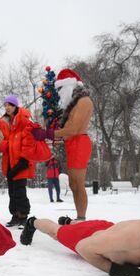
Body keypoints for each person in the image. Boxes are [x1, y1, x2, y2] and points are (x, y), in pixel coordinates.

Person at [19, 209, 140, 276]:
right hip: (90, 236)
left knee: (100, 228)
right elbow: (84, 247)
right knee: (56, 232)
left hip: (109, 231)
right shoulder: (130, 239)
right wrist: (115, 269)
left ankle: (70, 220)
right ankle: (33, 222)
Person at [32, 69, 93, 223]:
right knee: (73, 184)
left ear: (68, 86)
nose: (58, 93)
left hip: (79, 142)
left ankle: (81, 218)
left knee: (77, 183)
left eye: (60, 89)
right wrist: (52, 136)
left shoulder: (83, 101)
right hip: (73, 143)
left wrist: (48, 134)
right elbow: (68, 131)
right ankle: (80, 217)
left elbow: (73, 129)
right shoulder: (74, 103)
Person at [0, 95, 35, 227]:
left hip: (22, 162)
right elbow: (5, 141)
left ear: (16, 106)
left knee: (19, 191)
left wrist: (24, 160)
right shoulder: (6, 122)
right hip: (10, 162)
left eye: (10, 105)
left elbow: (28, 141)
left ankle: (23, 216)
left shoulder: (24, 121)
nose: (7, 107)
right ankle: (15, 215)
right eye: (5, 105)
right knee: (12, 191)